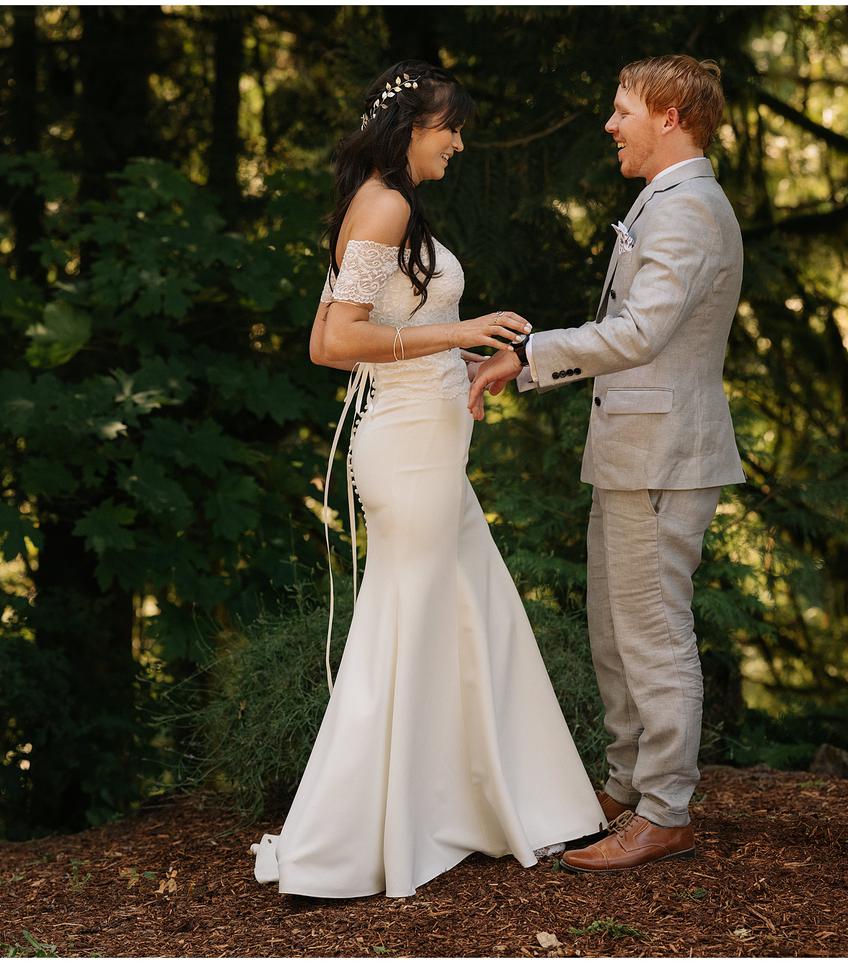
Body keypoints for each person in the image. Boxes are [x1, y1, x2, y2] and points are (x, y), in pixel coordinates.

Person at [248, 61, 607, 900]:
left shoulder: (381, 204)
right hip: (406, 446)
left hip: (429, 437)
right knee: (408, 621)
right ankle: (352, 836)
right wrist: (462, 334)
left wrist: (459, 364)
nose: (458, 143)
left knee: (469, 608)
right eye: (452, 127)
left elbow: (353, 325)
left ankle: (477, 802)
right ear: (414, 124)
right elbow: (332, 343)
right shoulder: (387, 203)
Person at [468, 54, 746, 873]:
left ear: (668, 117)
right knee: (617, 632)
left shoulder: (688, 207)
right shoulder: (665, 197)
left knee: (653, 633)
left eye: (622, 109)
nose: (609, 123)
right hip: (632, 451)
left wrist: (529, 355)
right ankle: (626, 786)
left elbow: (640, 334)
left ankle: (665, 809)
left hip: (662, 456)